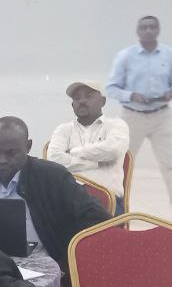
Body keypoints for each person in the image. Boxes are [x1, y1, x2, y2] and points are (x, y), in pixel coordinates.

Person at [0, 117, 110, 277]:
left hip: (43, 268)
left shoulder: (52, 177)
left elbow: (98, 219)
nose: (2, 160)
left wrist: (69, 257)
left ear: (28, 146)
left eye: (11, 153)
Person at [106, 15, 172, 228]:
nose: (148, 30)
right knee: (122, 164)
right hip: (132, 116)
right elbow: (111, 88)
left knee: (170, 164)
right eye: (144, 27)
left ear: (158, 30)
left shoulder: (169, 54)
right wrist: (131, 95)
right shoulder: (125, 56)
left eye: (152, 27)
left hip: (161, 116)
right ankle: (117, 209)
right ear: (137, 31)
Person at [48, 81, 130, 214]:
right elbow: (54, 159)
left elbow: (113, 150)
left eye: (88, 96)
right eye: (77, 98)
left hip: (107, 201)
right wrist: (95, 162)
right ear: (72, 105)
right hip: (68, 198)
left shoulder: (116, 125)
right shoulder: (63, 130)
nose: (82, 101)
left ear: (102, 101)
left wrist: (75, 151)